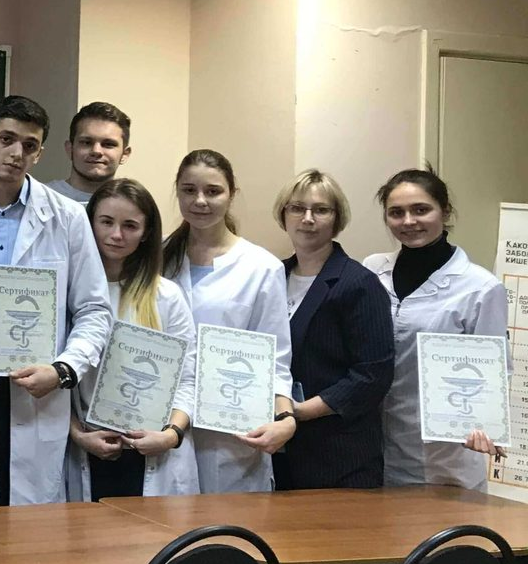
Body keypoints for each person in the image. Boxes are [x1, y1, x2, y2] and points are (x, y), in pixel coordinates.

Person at [0, 96, 113, 506]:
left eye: (29, 145)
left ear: (39, 153)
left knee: (29, 522)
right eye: (6, 139)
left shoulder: (67, 217)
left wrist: (64, 370)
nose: (16, 153)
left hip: (35, 388)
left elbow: (94, 309)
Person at [363, 168, 507, 490]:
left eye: (421, 209)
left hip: (444, 457)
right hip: (374, 448)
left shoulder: (480, 287)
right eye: (396, 213)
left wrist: (484, 423)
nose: (409, 221)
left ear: (445, 211)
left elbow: (494, 371)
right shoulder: (371, 270)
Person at [162, 149, 295, 493]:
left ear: (232, 194)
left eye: (213, 191)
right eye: (189, 190)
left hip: (230, 433)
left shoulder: (261, 268)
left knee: (227, 524)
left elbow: (275, 360)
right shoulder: (156, 259)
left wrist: (285, 418)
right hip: (161, 424)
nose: (200, 201)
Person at [65, 179, 199, 499]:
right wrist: (78, 435)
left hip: (154, 452)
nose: (116, 235)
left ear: (147, 233)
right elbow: (55, 383)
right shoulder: (67, 294)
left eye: (130, 225)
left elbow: (189, 378)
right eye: (106, 222)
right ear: (89, 224)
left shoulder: (166, 297)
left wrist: (171, 435)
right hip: (89, 449)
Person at [273, 169, 393, 490]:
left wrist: (298, 412)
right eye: (297, 208)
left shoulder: (359, 283)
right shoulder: (272, 277)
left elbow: (372, 375)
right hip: (277, 453)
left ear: (337, 219)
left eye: (321, 210)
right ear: (283, 215)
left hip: (339, 457)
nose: (307, 218)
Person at [47, 102, 132, 204]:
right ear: (70, 149)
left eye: (108, 144)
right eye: (86, 142)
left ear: (125, 154)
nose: (96, 151)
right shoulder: (42, 199)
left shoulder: (134, 206)